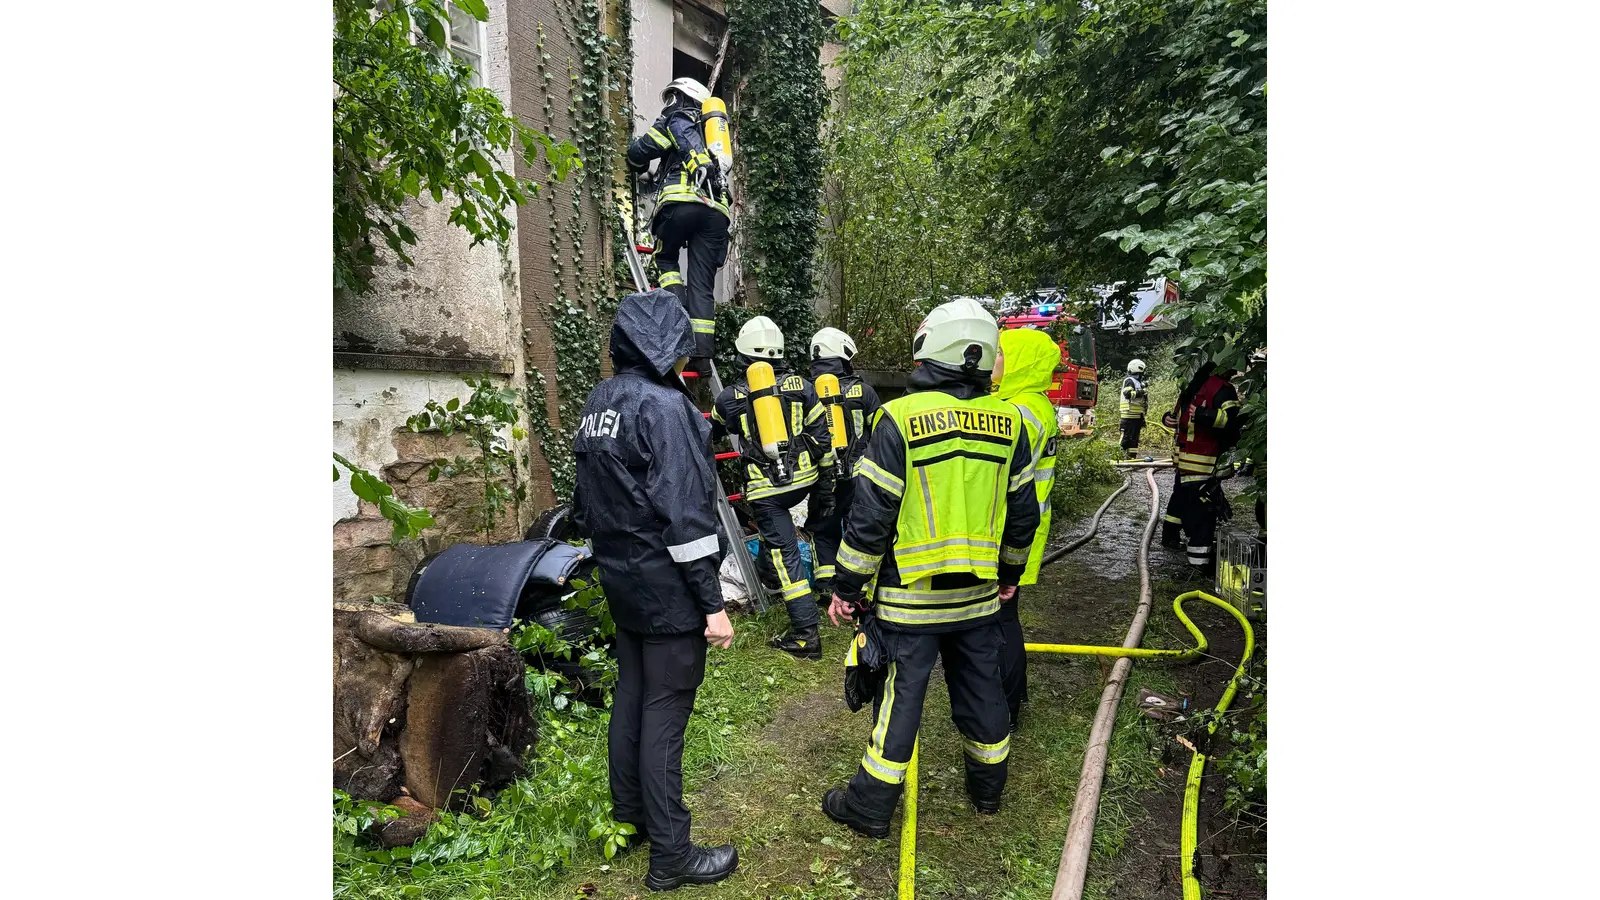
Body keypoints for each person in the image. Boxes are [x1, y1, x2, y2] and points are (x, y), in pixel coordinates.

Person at [820, 297, 1040, 837]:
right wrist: (1010, 575)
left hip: (910, 597)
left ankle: (870, 807)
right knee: (982, 690)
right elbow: (1022, 515)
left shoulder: (899, 418)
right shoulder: (1011, 424)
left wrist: (846, 588)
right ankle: (988, 792)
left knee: (900, 700)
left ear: (929, 348)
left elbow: (871, 516)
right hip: (979, 598)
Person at [571, 289, 738, 891]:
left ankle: (631, 819)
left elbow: (582, 504)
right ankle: (672, 854)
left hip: (621, 580)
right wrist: (712, 605)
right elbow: (688, 518)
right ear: (672, 344)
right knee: (665, 714)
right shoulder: (666, 408)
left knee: (632, 699)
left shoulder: (599, 402)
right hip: (666, 587)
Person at [710, 316, 836, 659]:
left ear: (743, 355)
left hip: (768, 491)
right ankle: (768, 572)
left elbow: (713, 433)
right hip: (804, 481)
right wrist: (825, 489)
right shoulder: (803, 386)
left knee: (787, 561)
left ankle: (805, 636)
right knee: (776, 539)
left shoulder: (730, 397)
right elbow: (822, 438)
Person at [625, 77, 731, 369]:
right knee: (702, 283)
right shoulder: (715, 136)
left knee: (665, 257)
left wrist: (641, 167)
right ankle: (701, 355)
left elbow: (638, 153)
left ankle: (679, 312)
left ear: (684, 98)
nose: (669, 104)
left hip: (681, 204)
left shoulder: (677, 119)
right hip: (716, 214)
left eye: (673, 97)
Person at [992, 327, 1061, 732]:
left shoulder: (1020, 413)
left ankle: (1006, 706)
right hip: (1026, 526)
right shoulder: (1035, 405)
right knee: (1005, 618)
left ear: (1020, 362)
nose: (992, 361)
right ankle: (1012, 695)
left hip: (1010, 529)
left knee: (1000, 622)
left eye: (1000, 354)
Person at [805, 327, 882, 606]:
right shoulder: (865, 391)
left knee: (824, 528)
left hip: (821, 476)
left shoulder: (806, 389)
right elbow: (880, 432)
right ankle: (857, 585)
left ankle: (826, 585)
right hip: (858, 475)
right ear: (844, 355)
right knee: (856, 527)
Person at [1160, 361, 1243, 572]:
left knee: (1181, 500)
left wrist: (1168, 418)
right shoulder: (1221, 389)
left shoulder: (1193, 385)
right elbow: (1233, 422)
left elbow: (1180, 418)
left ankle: (1170, 536)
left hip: (1185, 462)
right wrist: (1204, 415)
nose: (1234, 371)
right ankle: (1199, 566)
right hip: (1203, 464)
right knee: (1202, 514)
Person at [1119, 358, 1149, 458]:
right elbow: (1127, 394)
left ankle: (1131, 458)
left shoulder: (1137, 382)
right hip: (1128, 415)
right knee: (1125, 439)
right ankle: (1117, 458)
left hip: (1136, 416)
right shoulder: (1129, 381)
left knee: (1134, 440)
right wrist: (1141, 392)